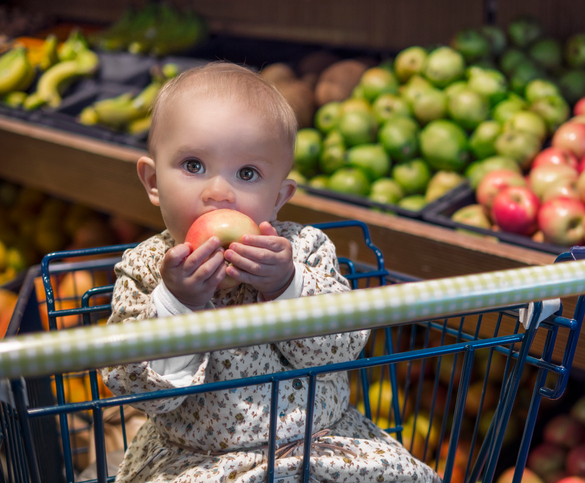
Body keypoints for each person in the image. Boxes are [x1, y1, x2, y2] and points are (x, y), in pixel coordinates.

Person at [101, 62, 440, 483]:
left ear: (279, 198)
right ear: (153, 181)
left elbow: (343, 343)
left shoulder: (304, 249)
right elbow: (135, 387)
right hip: (201, 462)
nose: (219, 192)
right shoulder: (146, 271)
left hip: (322, 446)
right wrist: (176, 303)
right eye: (193, 165)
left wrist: (287, 284)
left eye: (247, 174)